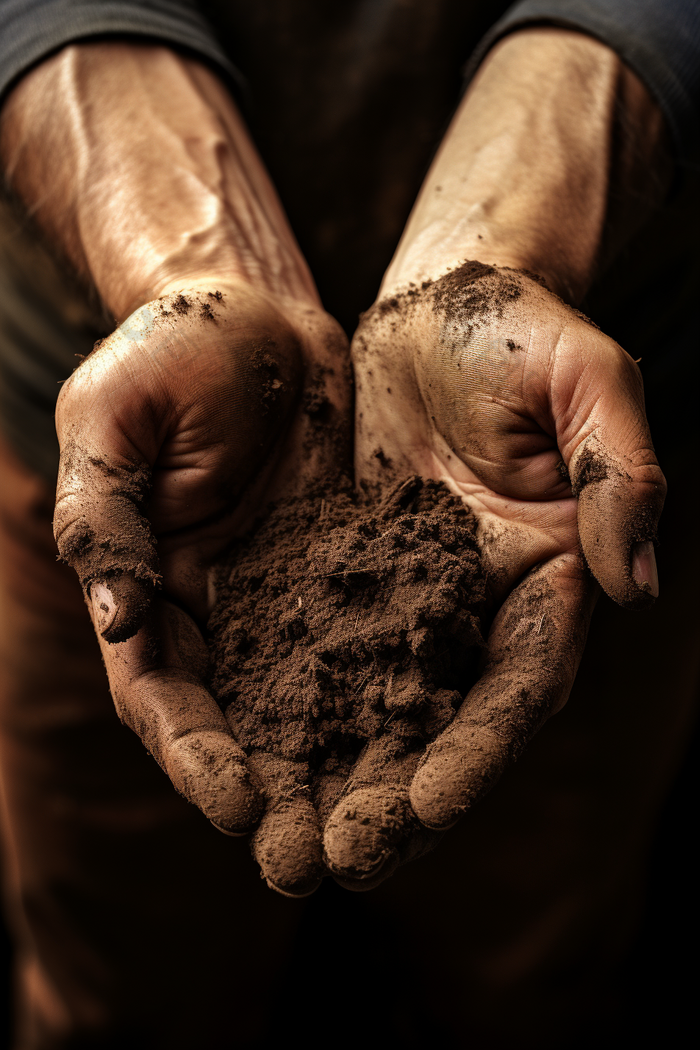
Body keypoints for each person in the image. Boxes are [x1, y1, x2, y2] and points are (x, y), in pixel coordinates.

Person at [0, 1, 697, 1046]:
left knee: (534, 972)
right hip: (141, 472)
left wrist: (509, 241)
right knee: (119, 982)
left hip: (547, 468)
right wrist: (180, 261)